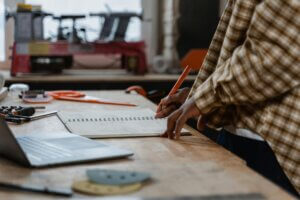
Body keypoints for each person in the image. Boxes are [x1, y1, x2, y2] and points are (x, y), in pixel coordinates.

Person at [156, 0, 299, 197]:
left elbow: (274, 57)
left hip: (270, 144)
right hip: (246, 134)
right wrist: (196, 93)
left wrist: (203, 98)